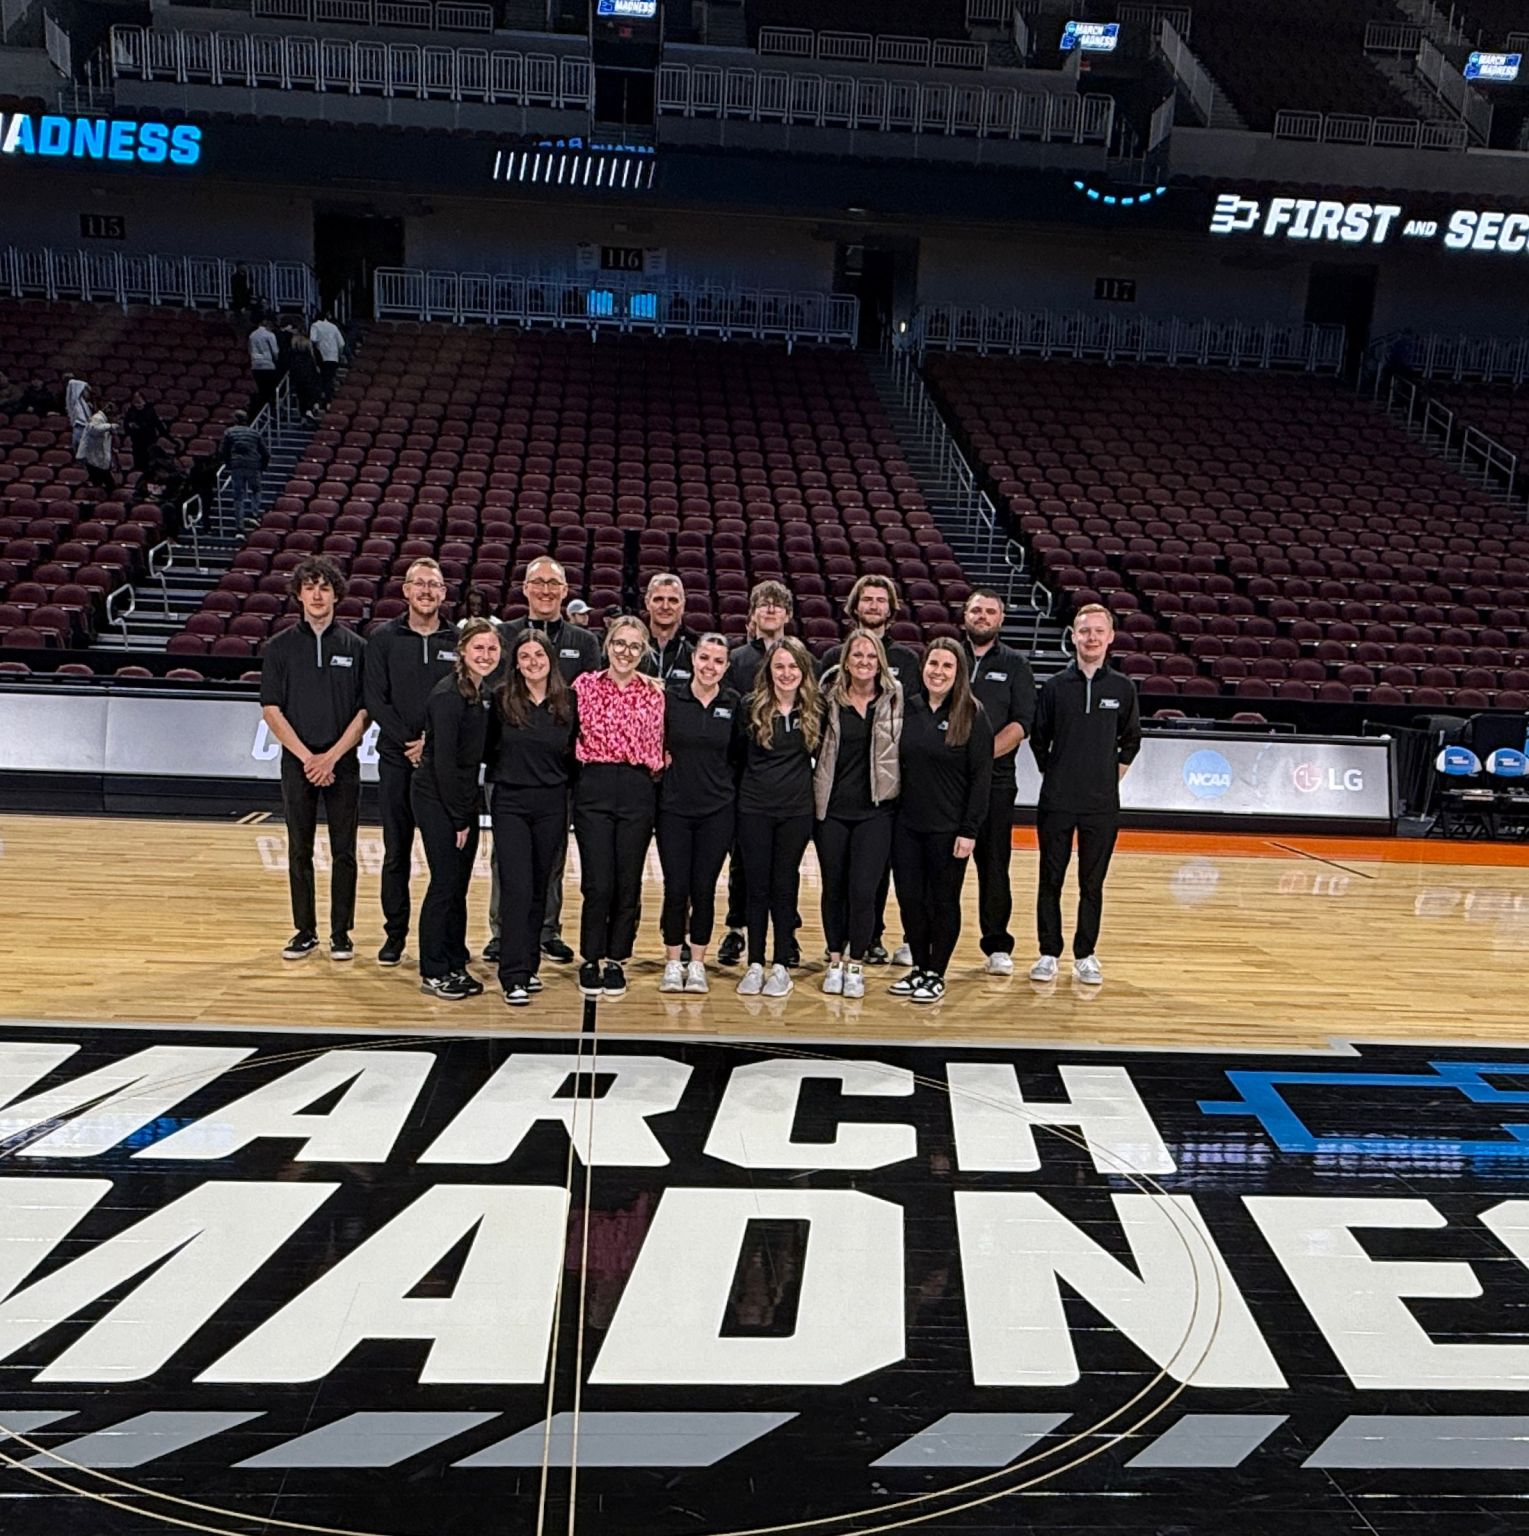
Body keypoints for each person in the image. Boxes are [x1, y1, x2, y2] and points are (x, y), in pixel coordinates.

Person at [486, 557, 602, 965]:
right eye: (539, 583)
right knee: (507, 856)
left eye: (555, 583)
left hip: (559, 771)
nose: (547, 590)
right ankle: (503, 931)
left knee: (551, 856)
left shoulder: (585, 642)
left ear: (566, 590)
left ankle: (547, 929)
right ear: (525, 588)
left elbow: (590, 705)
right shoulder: (503, 635)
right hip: (510, 768)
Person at [258, 556, 368, 962]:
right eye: (310, 587)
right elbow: (271, 709)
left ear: (336, 594)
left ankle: (341, 932)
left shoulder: (357, 648)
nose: (317, 594)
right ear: (299, 595)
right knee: (299, 849)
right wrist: (308, 758)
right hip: (297, 763)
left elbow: (364, 711)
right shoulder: (280, 647)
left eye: (325, 587)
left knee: (345, 851)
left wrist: (332, 757)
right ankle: (305, 930)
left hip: (343, 763)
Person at [1029, 603, 1141, 987]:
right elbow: (1039, 739)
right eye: (1084, 631)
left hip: (1101, 806)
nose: (1091, 638)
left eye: (1098, 631)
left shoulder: (1123, 688)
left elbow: (1131, 742)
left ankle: (1085, 954)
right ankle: (1048, 952)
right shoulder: (1055, 687)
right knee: (1051, 879)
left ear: (1110, 637)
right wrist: (1060, 774)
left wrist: (1106, 780)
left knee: (1091, 884)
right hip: (1057, 802)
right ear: (1073, 636)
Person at [364, 558, 461, 968]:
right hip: (397, 760)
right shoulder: (383, 638)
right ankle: (395, 935)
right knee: (396, 852)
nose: (426, 591)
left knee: (448, 858)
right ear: (405, 590)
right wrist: (410, 742)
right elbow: (375, 699)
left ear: (443, 593)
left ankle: (449, 939)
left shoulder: (457, 639)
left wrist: (432, 745)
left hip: (444, 766)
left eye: (434, 585)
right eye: (419, 584)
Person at [823, 574, 924, 966]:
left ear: (891, 608)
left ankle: (871, 939)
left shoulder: (908, 663)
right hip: (835, 799)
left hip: (880, 798)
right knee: (838, 881)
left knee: (872, 879)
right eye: (867, 600)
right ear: (855, 605)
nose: (874, 606)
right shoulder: (831, 663)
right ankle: (837, 950)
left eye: (881, 600)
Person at [890, 639, 993, 1005]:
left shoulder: (973, 715)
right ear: (923, 667)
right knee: (909, 900)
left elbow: (982, 778)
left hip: (949, 830)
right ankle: (918, 966)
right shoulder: (909, 708)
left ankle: (936, 971)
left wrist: (970, 830)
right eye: (933, 663)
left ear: (958, 673)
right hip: (906, 826)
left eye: (947, 666)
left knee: (943, 901)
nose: (938, 671)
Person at [571, 616, 667, 999]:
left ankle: (617, 958)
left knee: (628, 880)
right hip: (594, 784)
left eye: (633, 646)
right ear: (607, 646)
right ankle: (592, 955)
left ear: (642, 651)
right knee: (598, 880)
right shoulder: (584, 686)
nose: (625, 652)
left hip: (638, 787)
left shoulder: (655, 693)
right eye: (619, 644)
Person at [489, 631, 579, 1007]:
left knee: (541, 887)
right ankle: (512, 975)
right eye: (524, 656)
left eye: (538, 654)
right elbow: (486, 749)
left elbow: (574, 754)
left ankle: (529, 965)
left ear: (550, 658)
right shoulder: (501, 699)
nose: (532, 662)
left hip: (552, 803)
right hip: (510, 802)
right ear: (516, 663)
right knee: (517, 887)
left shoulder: (568, 700)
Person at [412, 619, 500, 1001]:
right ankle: (433, 969)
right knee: (445, 884)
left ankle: (453, 957)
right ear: (463, 651)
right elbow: (444, 763)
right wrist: (459, 817)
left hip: (462, 796)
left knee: (457, 887)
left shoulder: (480, 693)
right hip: (439, 798)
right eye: (478, 648)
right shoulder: (448, 695)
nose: (486, 655)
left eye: (492, 649)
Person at [718, 580, 805, 966]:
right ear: (752, 615)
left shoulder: (804, 660)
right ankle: (737, 929)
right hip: (747, 781)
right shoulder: (736, 660)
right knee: (743, 862)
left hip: (789, 790)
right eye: (763, 605)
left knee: (786, 869)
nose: (770, 610)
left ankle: (787, 934)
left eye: (777, 605)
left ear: (787, 614)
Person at [813, 631, 902, 1000]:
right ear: (845, 661)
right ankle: (834, 959)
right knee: (834, 888)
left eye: (870, 656)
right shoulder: (826, 700)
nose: (864, 662)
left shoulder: (895, 701)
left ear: (879, 661)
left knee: (864, 890)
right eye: (857, 656)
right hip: (832, 810)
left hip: (877, 810)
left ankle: (856, 962)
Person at [736, 636, 822, 999]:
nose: (786, 673)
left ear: (803, 671)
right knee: (755, 887)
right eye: (779, 666)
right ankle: (755, 962)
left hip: (796, 812)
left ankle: (781, 964)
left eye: (792, 667)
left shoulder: (817, 709)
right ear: (768, 671)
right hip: (754, 808)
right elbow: (735, 759)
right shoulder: (750, 706)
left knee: (784, 886)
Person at [656, 633, 740, 995]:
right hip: (673, 809)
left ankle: (698, 963)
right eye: (704, 658)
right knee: (677, 887)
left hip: (717, 811)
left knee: (704, 888)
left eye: (718, 661)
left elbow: (739, 756)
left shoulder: (734, 703)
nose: (710, 666)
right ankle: (674, 961)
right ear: (693, 659)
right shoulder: (670, 698)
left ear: (727, 666)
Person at [962, 589, 1038, 975]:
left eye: (990, 611)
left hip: (996, 782)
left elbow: (1022, 724)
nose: (982, 616)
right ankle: (917, 939)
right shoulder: (946, 655)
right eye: (976, 609)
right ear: (965, 614)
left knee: (993, 866)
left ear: (1001, 618)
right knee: (937, 865)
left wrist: (979, 757)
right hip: (946, 784)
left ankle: (996, 945)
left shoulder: (1016, 665)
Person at [640, 572, 699, 683]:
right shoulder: (632, 645)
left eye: (673, 600)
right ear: (647, 603)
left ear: (682, 606)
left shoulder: (696, 648)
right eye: (658, 599)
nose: (665, 606)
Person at [221, 409, 269, 529]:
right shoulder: (254, 433)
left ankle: (240, 526)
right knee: (256, 490)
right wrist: (262, 467)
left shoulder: (229, 432)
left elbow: (223, 451)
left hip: (237, 465)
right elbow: (266, 453)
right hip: (254, 465)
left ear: (236, 420)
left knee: (238, 496)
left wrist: (228, 464)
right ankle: (254, 513)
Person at [123, 391, 169, 479]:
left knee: (149, 460)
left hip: (148, 440)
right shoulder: (131, 411)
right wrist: (130, 426)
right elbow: (126, 425)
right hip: (136, 441)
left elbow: (157, 425)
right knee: (137, 459)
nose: (138, 405)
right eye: (135, 402)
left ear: (144, 401)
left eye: (139, 402)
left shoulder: (150, 410)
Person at [75, 403, 118, 496]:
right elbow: (94, 429)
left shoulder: (105, 421)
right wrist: (110, 426)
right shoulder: (97, 418)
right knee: (107, 486)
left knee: (107, 487)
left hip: (101, 460)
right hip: (93, 460)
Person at [309, 312, 346, 402]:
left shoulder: (315, 325)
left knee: (321, 379)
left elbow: (313, 339)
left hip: (321, 356)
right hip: (333, 357)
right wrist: (338, 354)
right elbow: (341, 343)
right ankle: (328, 399)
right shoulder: (333, 327)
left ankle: (322, 400)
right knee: (329, 379)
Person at [287, 334, 323, 420]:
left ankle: (306, 412)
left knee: (302, 396)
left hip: (300, 378)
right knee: (311, 392)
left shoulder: (293, 356)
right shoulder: (310, 356)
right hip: (310, 377)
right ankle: (312, 407)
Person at [249, 318, 279, 416]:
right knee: (270, 391)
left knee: (261, 390)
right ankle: (271, 412)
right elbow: (275, 352)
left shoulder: (252, 335)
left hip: (255, 365)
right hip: (268, 365)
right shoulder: (270, 335)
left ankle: (261, 411)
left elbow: (250, 350)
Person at [64, 376, 91, 454]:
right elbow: (72, 383)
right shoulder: (75, 403)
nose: (88, 393)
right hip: (79, 427)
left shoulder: (85, 403)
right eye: (86, 390)